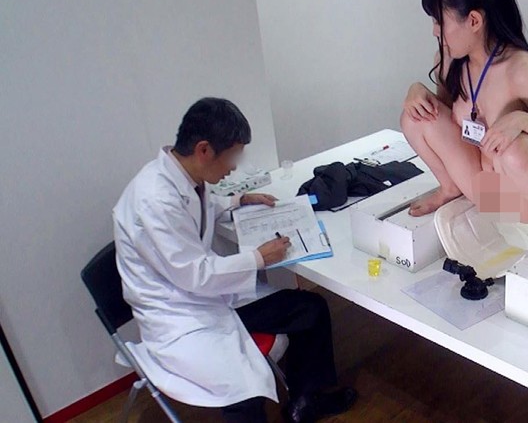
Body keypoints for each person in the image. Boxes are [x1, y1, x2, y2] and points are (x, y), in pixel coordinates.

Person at [112, 97, 357, 422]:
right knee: (243, 388)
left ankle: (304, 402)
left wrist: (239, 199)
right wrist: (258, 258)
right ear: (203, 150)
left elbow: (199, 209)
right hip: (180, 319)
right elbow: (195, 275)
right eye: (232, 156)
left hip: (208, 297)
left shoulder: (182, 177)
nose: (233, 167)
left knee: (310, 309)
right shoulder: (154, 199)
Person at [401, 0, 528, 268]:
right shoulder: (448, 61)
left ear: (474, 21)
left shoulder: (519, 67)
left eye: (439, 21)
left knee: (512, 150)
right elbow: (445, 117)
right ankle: (450, 189)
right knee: (414, 118)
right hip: (485, 194)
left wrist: (521, 120)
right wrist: (417, 91)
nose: (435, 31)